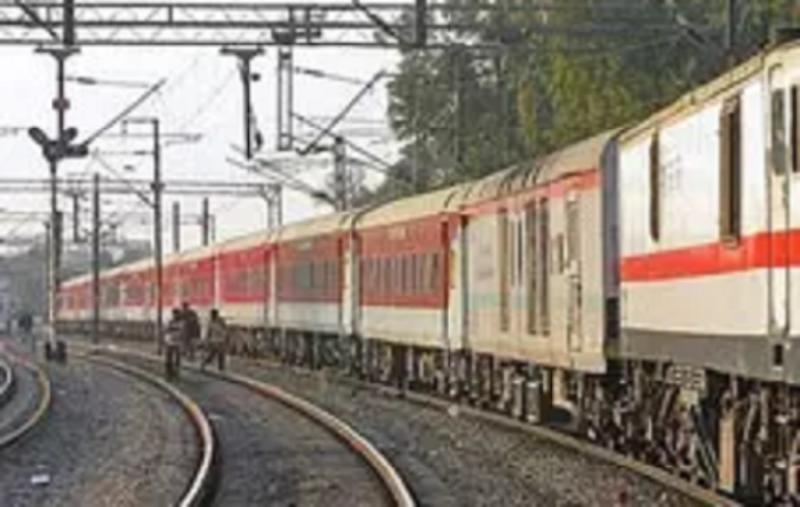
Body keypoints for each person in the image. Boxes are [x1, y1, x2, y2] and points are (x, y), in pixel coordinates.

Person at [164, 308, 184, 380]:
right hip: (170, 341)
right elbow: (166, 330)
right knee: (169, 357)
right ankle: (169, 372)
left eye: (177, 314)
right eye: (175, 314)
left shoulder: (181, 322)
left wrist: (172, 328)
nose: (175, 315)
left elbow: (182, 331)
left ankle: (176, 371)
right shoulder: (170, 321)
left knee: (177, 357)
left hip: (178, 342)